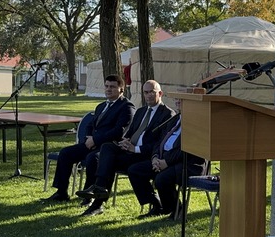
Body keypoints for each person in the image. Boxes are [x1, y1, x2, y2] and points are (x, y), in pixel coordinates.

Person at [75, 80, 175, 216]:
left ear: (160, 93)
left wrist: (136, 149)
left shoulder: (167, 115)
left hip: (145, 154)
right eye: (146, 92)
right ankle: (98, 196)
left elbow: (160, 143)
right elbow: (129, 133)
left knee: (110, 161)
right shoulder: (141, 111)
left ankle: (99, 194)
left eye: (152, 92)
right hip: (130, 150)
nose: (149, 95)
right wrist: (125, 141)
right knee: (105, 150)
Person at [41, 74, 134, 203]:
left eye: (112, 87)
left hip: (108, 147)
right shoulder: (101, 106)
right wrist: (89, 138)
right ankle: (61, 192)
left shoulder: (127, 107)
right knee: (65, 153)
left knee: (92, 159)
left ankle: (89, 196)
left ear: (121, 89)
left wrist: (96, 140)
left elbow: (119, 131)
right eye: (106, 86)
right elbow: (90, 125)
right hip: (91, 143)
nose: (108, 89)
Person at [126, 101, 207, 218]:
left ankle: (175, 208)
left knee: (162, 178)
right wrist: (155, 157)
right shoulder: (175, 119)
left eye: (182, 100)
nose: (177, 102)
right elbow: (159, 141)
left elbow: (184, 149)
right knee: (135, 170)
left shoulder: (197, 123)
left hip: (187, 163)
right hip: (164, 159)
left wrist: (166, 162)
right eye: (177, 99)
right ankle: (156, 204)